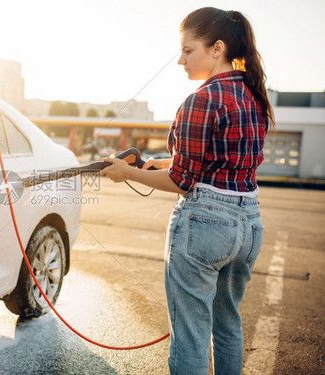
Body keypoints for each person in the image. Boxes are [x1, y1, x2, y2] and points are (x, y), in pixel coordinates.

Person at [100, 7, 274, 375]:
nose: (180, 60)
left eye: (188, 50)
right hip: (249, 223)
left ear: (217, 48)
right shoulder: (254, 95)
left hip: (206, 225)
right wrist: (158, 163)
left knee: (191, 334)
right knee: (228, 324)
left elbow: (183, 181)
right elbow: (217, 161)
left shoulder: (202, 99)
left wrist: (127, 173)